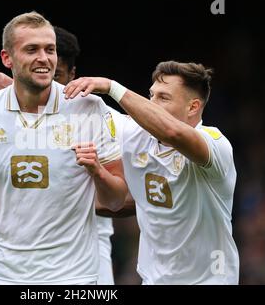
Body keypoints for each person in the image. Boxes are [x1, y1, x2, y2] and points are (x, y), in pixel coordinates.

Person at [0, 11, 128, 285]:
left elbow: (116, 200)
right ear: (6, 58)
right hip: (9, 277)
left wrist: (97, 172)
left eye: (50, 49)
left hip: (76, 278)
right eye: (31, 49)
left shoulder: (88, 109)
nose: (44, 58)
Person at [63, 61, 240, 284]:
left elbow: (172, 132)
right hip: (153, 280)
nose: (152, 103)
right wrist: (13, 85)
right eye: (151, 95)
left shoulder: (214, 144)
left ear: (193, 107)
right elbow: (69, 112)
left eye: (163, 98)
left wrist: (112, 87)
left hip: (209, 279)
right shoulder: (133, 133)